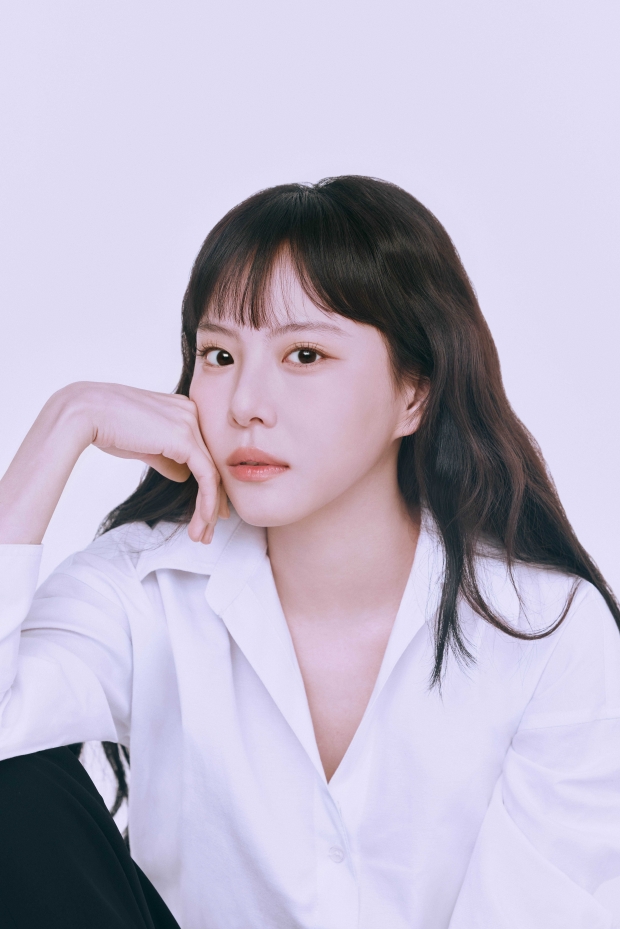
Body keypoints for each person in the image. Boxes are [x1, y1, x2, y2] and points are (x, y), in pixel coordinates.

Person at [0, 176, 618, 929]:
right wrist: (62, 425)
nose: (246, 404)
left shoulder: (546, 628)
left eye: (303, 354)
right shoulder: (142, 586)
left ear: (414, 394)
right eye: (218, 355)